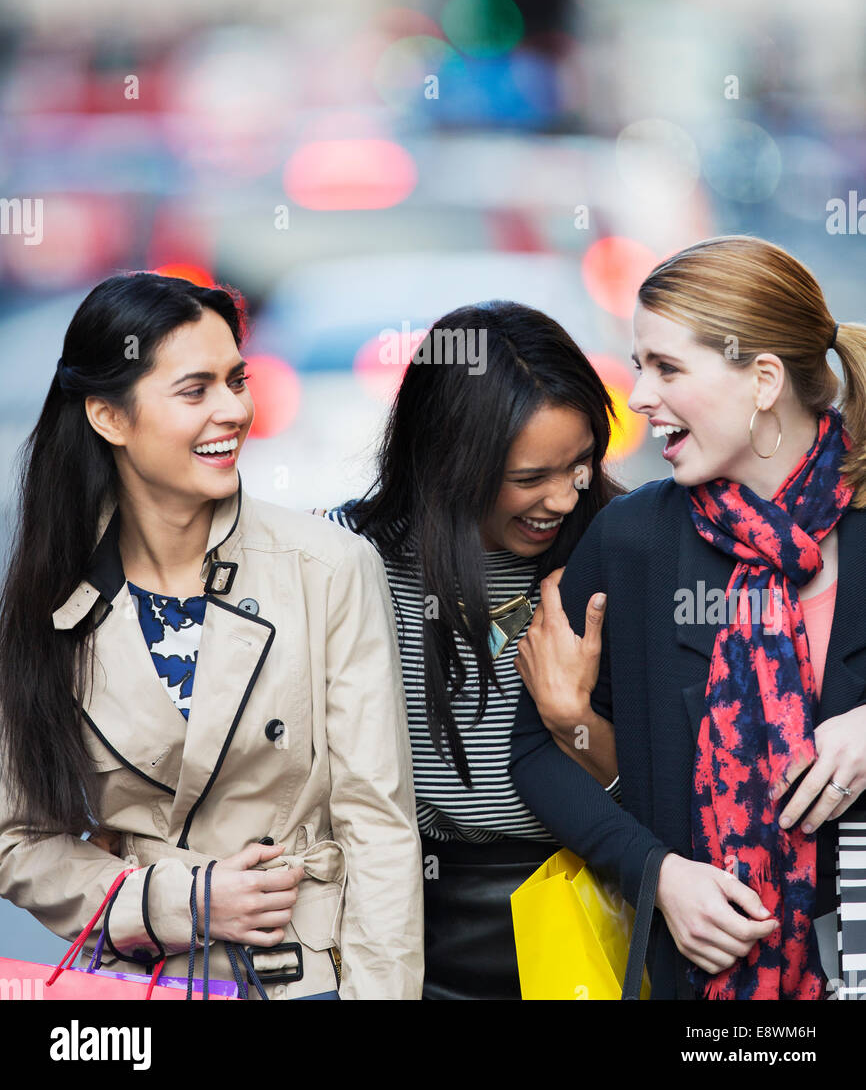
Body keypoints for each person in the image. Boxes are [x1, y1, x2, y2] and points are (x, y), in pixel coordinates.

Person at [0, 272, 423, 1000]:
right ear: (109, 417)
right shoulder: (51, 597)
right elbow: (16, 840)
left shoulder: (328, 567)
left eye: (237, 380)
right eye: (195, 391)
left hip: (305, 976)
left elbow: (378, 823)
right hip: (143, 986)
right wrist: (178, 901)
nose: (233, 411)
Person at [511, 235, 866, 1000]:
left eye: (667, 367)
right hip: (697, 992)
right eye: (640, 365)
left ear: (763, 379)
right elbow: (534, 755)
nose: (638, 396)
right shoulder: (633, 539)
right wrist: (657, 874)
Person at [313, 299, 622, 998]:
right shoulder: (342, 560)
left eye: (579, 466)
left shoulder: (622, 550)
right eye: (528, 479)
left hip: (586, 912)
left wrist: (571, 717)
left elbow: (671, 802)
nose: (564, 499)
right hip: (392, 926)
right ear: (449, 460)